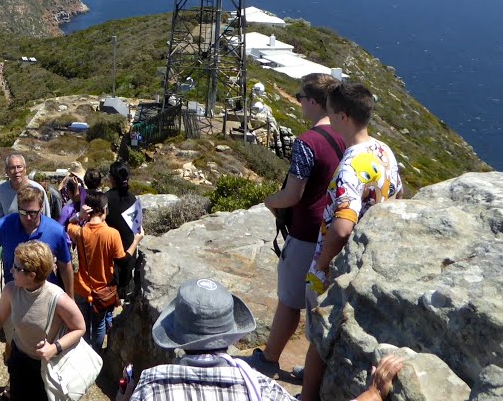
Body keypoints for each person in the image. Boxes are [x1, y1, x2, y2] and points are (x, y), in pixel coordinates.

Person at [120, 277, 405, 401]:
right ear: (230, 331)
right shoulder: (259, 387)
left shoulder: (151, 385)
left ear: (177, 336)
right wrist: (374, 393)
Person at [300, 82, 403, 401]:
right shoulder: (384, 150)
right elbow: (398, 198)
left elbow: (343, 226)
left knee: (318, 336)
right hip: (372, 260)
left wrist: (322, 263)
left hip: (338, 263)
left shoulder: (351, 164)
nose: (327, 119)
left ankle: (306, 396)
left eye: (330, 113)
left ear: (343, 116)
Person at [255, 73, 346, 371]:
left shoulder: (308, 142)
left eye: (300, 98)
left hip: (307, 233)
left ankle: (269, 359)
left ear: (314, 102)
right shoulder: (345, 137)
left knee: (291, 300)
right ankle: (317, 370)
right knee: (324, 307)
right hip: (337, 230)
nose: (298, 103)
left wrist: (270, 201)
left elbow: (294, 194)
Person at [0, 241, 86, 401]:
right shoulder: (11, 290)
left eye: (16, 268)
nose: (11, 270)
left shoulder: (58, 299)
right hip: (20, 360)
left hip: (46, 367)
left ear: (31, 276)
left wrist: (54, 348)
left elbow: (80, 328)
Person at [68, 192, 143, 351]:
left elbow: (68, 225)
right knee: (99, 325)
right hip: (102, 291)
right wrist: (136, 241)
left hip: (81, 288)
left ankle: (84, 351)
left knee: (82, 325)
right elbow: (123, 260)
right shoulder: (111, 234)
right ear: (105, 209)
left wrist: (79, 216)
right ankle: (96, 352)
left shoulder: (79, 231)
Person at [0, 186, 74, 308]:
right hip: (14, 296)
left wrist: (70, 298)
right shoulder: (3, 226)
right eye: (23, 212)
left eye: (32, 213)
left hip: (46, 298)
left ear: (42, 208)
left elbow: (65, 266)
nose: (27, 218)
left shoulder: (56, 231)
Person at [105, 161, 143, 298]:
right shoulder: (133, 198)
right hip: (129, 250)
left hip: (111, 251)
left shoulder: (106, 198)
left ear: (112, 178)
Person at [0, 153, 48, 218]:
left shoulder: (37, 189)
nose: (16, 171)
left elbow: (46, 216)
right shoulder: (2, 190)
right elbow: (1, 215)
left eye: (19, 167)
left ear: (25, 169)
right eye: (12, 168)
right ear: (7, 171)